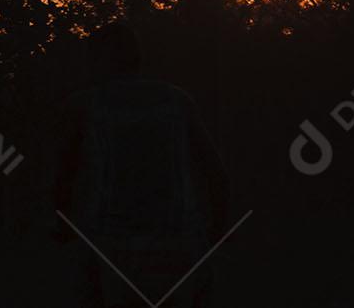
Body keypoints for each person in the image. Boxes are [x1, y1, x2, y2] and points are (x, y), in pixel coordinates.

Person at [56, 21, 228, 308]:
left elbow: (63, 175)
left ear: (99, 59)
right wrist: (217, 230)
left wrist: (61, 223)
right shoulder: (176, 99)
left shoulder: (85, 105)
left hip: (111, 244)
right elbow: (216, 172)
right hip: (179, 241)